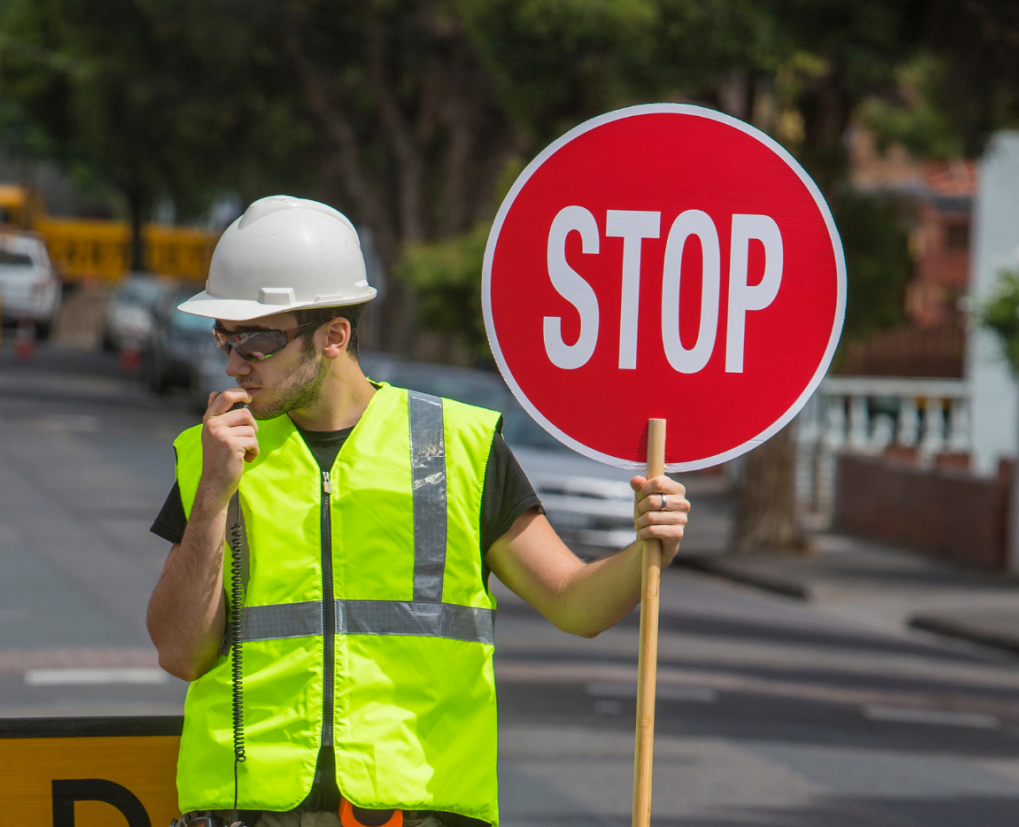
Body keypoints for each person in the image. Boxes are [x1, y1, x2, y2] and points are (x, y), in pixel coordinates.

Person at [147, 196, 690, 827]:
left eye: (258, 341)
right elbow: (180, 654)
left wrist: (649, 547)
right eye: (225, 337)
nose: (233, 363)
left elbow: (574, 602)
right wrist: (213, 496)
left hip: (420, 811)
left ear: (334, 337)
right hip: (253, 812)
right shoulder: (214, 455)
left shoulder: (458, 446)